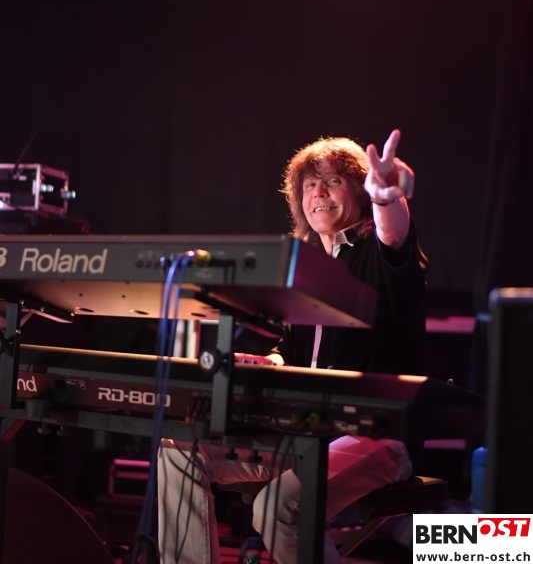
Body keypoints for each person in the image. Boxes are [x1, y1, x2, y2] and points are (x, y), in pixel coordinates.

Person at [157, 129, 428, 564]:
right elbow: (294, 352)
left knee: (276, 506)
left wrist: (386, 198)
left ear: (360, 191)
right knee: (179, 449)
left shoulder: (377, 251)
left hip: (377, 435)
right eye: (310, 185)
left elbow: (393, 235)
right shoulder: (306, 268)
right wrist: (268, 362)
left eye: (334, 181)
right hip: (305, 432)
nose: (318, 192)